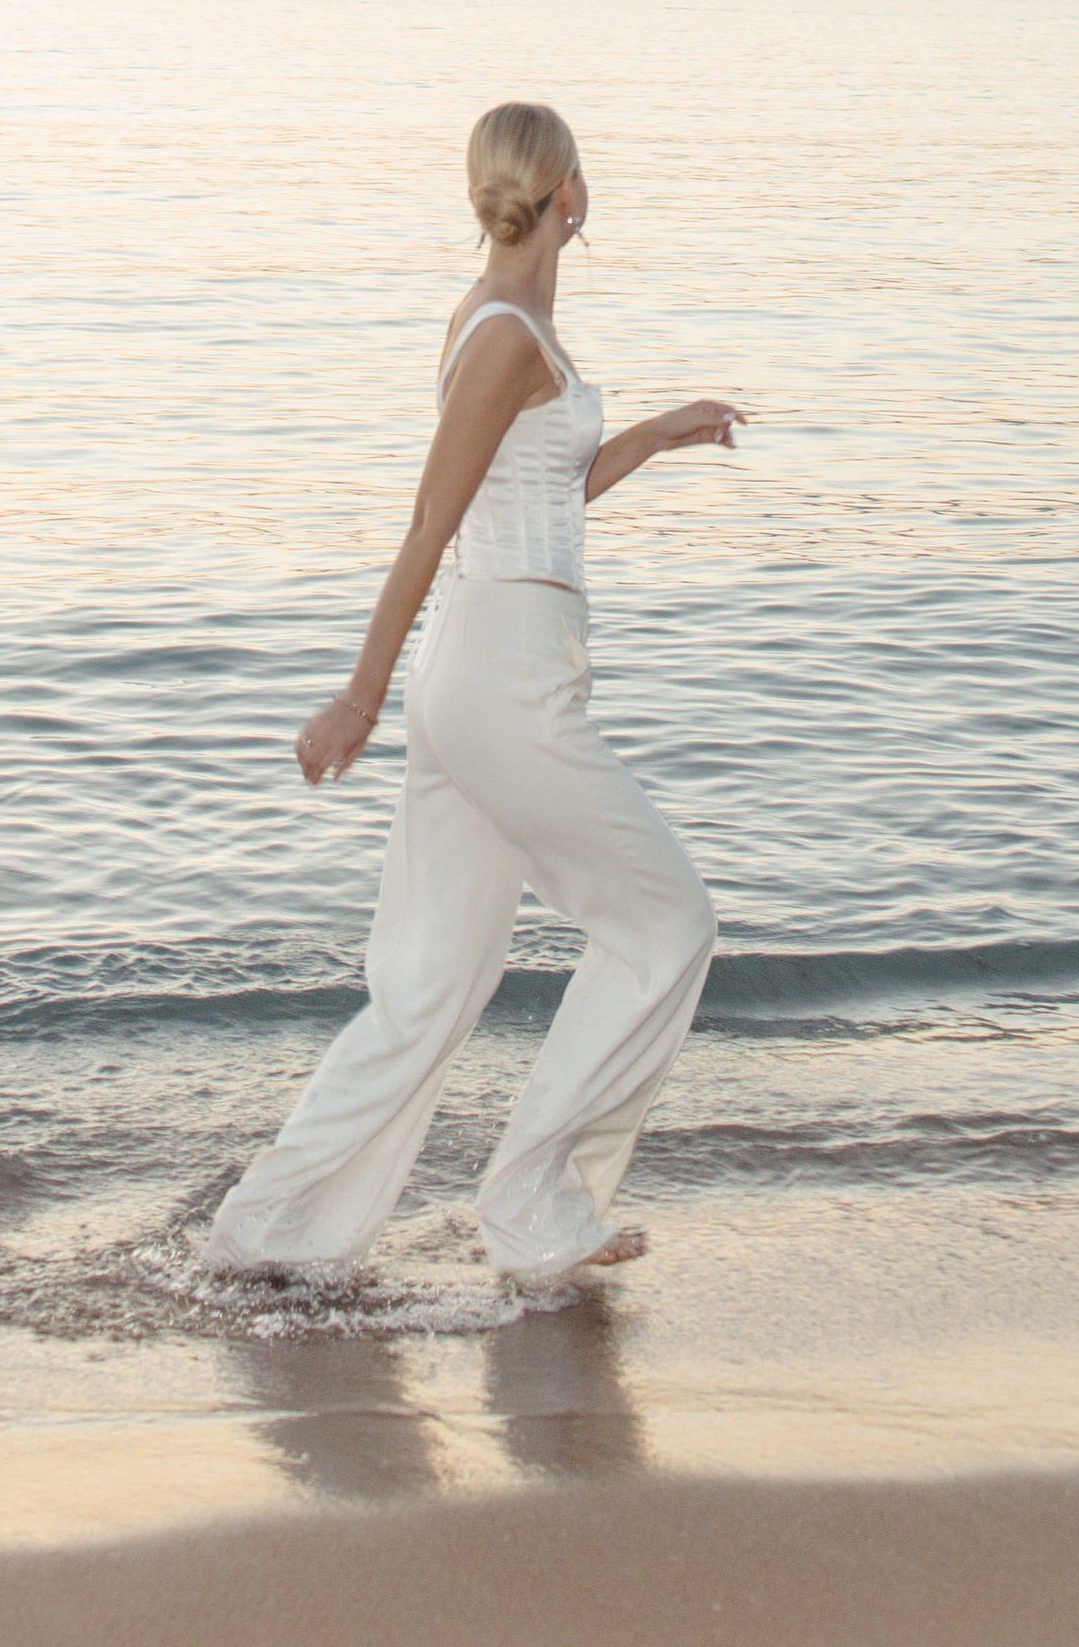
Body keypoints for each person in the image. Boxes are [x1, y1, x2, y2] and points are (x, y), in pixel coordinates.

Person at [208, 101, 742, 1280]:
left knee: (429, 986)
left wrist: (657, 433)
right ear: (568, 196)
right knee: (667, 925)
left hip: (490, 662)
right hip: (499, 675)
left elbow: (537, 506)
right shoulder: (502, 336)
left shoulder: (509, 326)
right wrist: (356, 695)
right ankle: (535, 1208)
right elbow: (431, 525)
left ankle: (270, 1235)